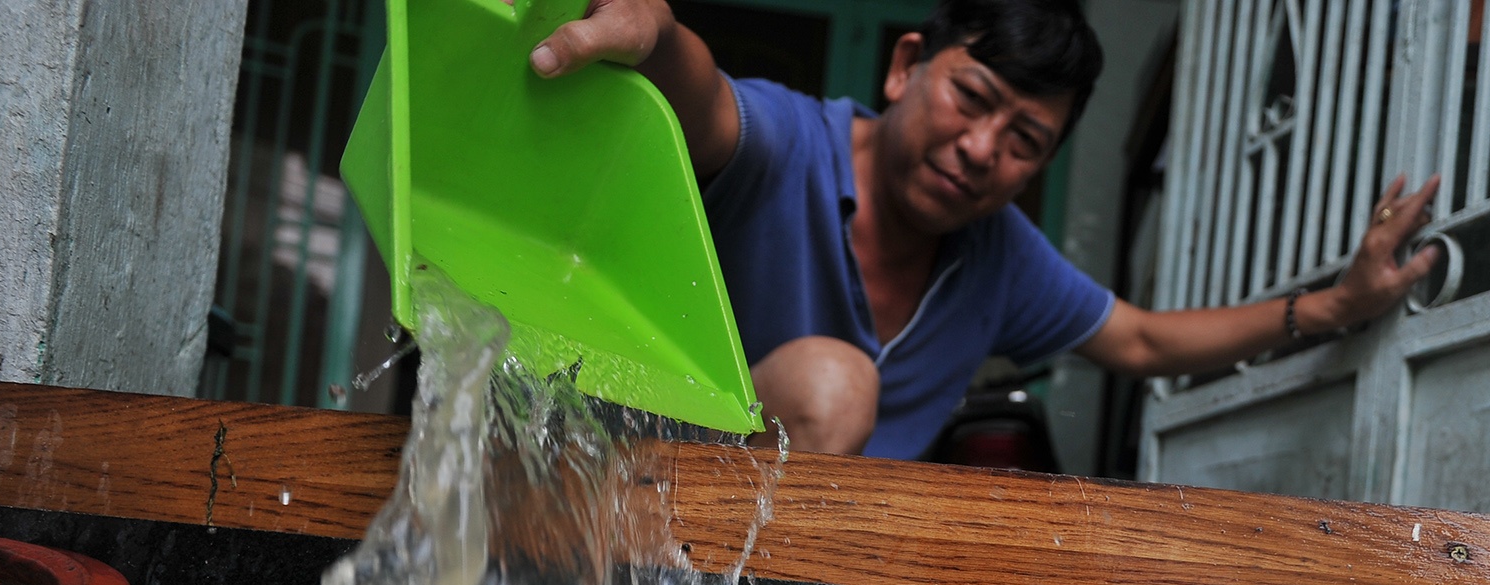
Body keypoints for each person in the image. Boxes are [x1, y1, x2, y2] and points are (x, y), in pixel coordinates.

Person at [527, 0, 1439, 459]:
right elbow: (704, 97)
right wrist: (656, 33)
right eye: (972, 98)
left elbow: (1143, 336)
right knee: (833, 386)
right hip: (643, 509)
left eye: (1023, 142)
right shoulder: (788, 143)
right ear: (906, 68)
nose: (979, 150)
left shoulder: (999, 257)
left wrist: (1332, 309)